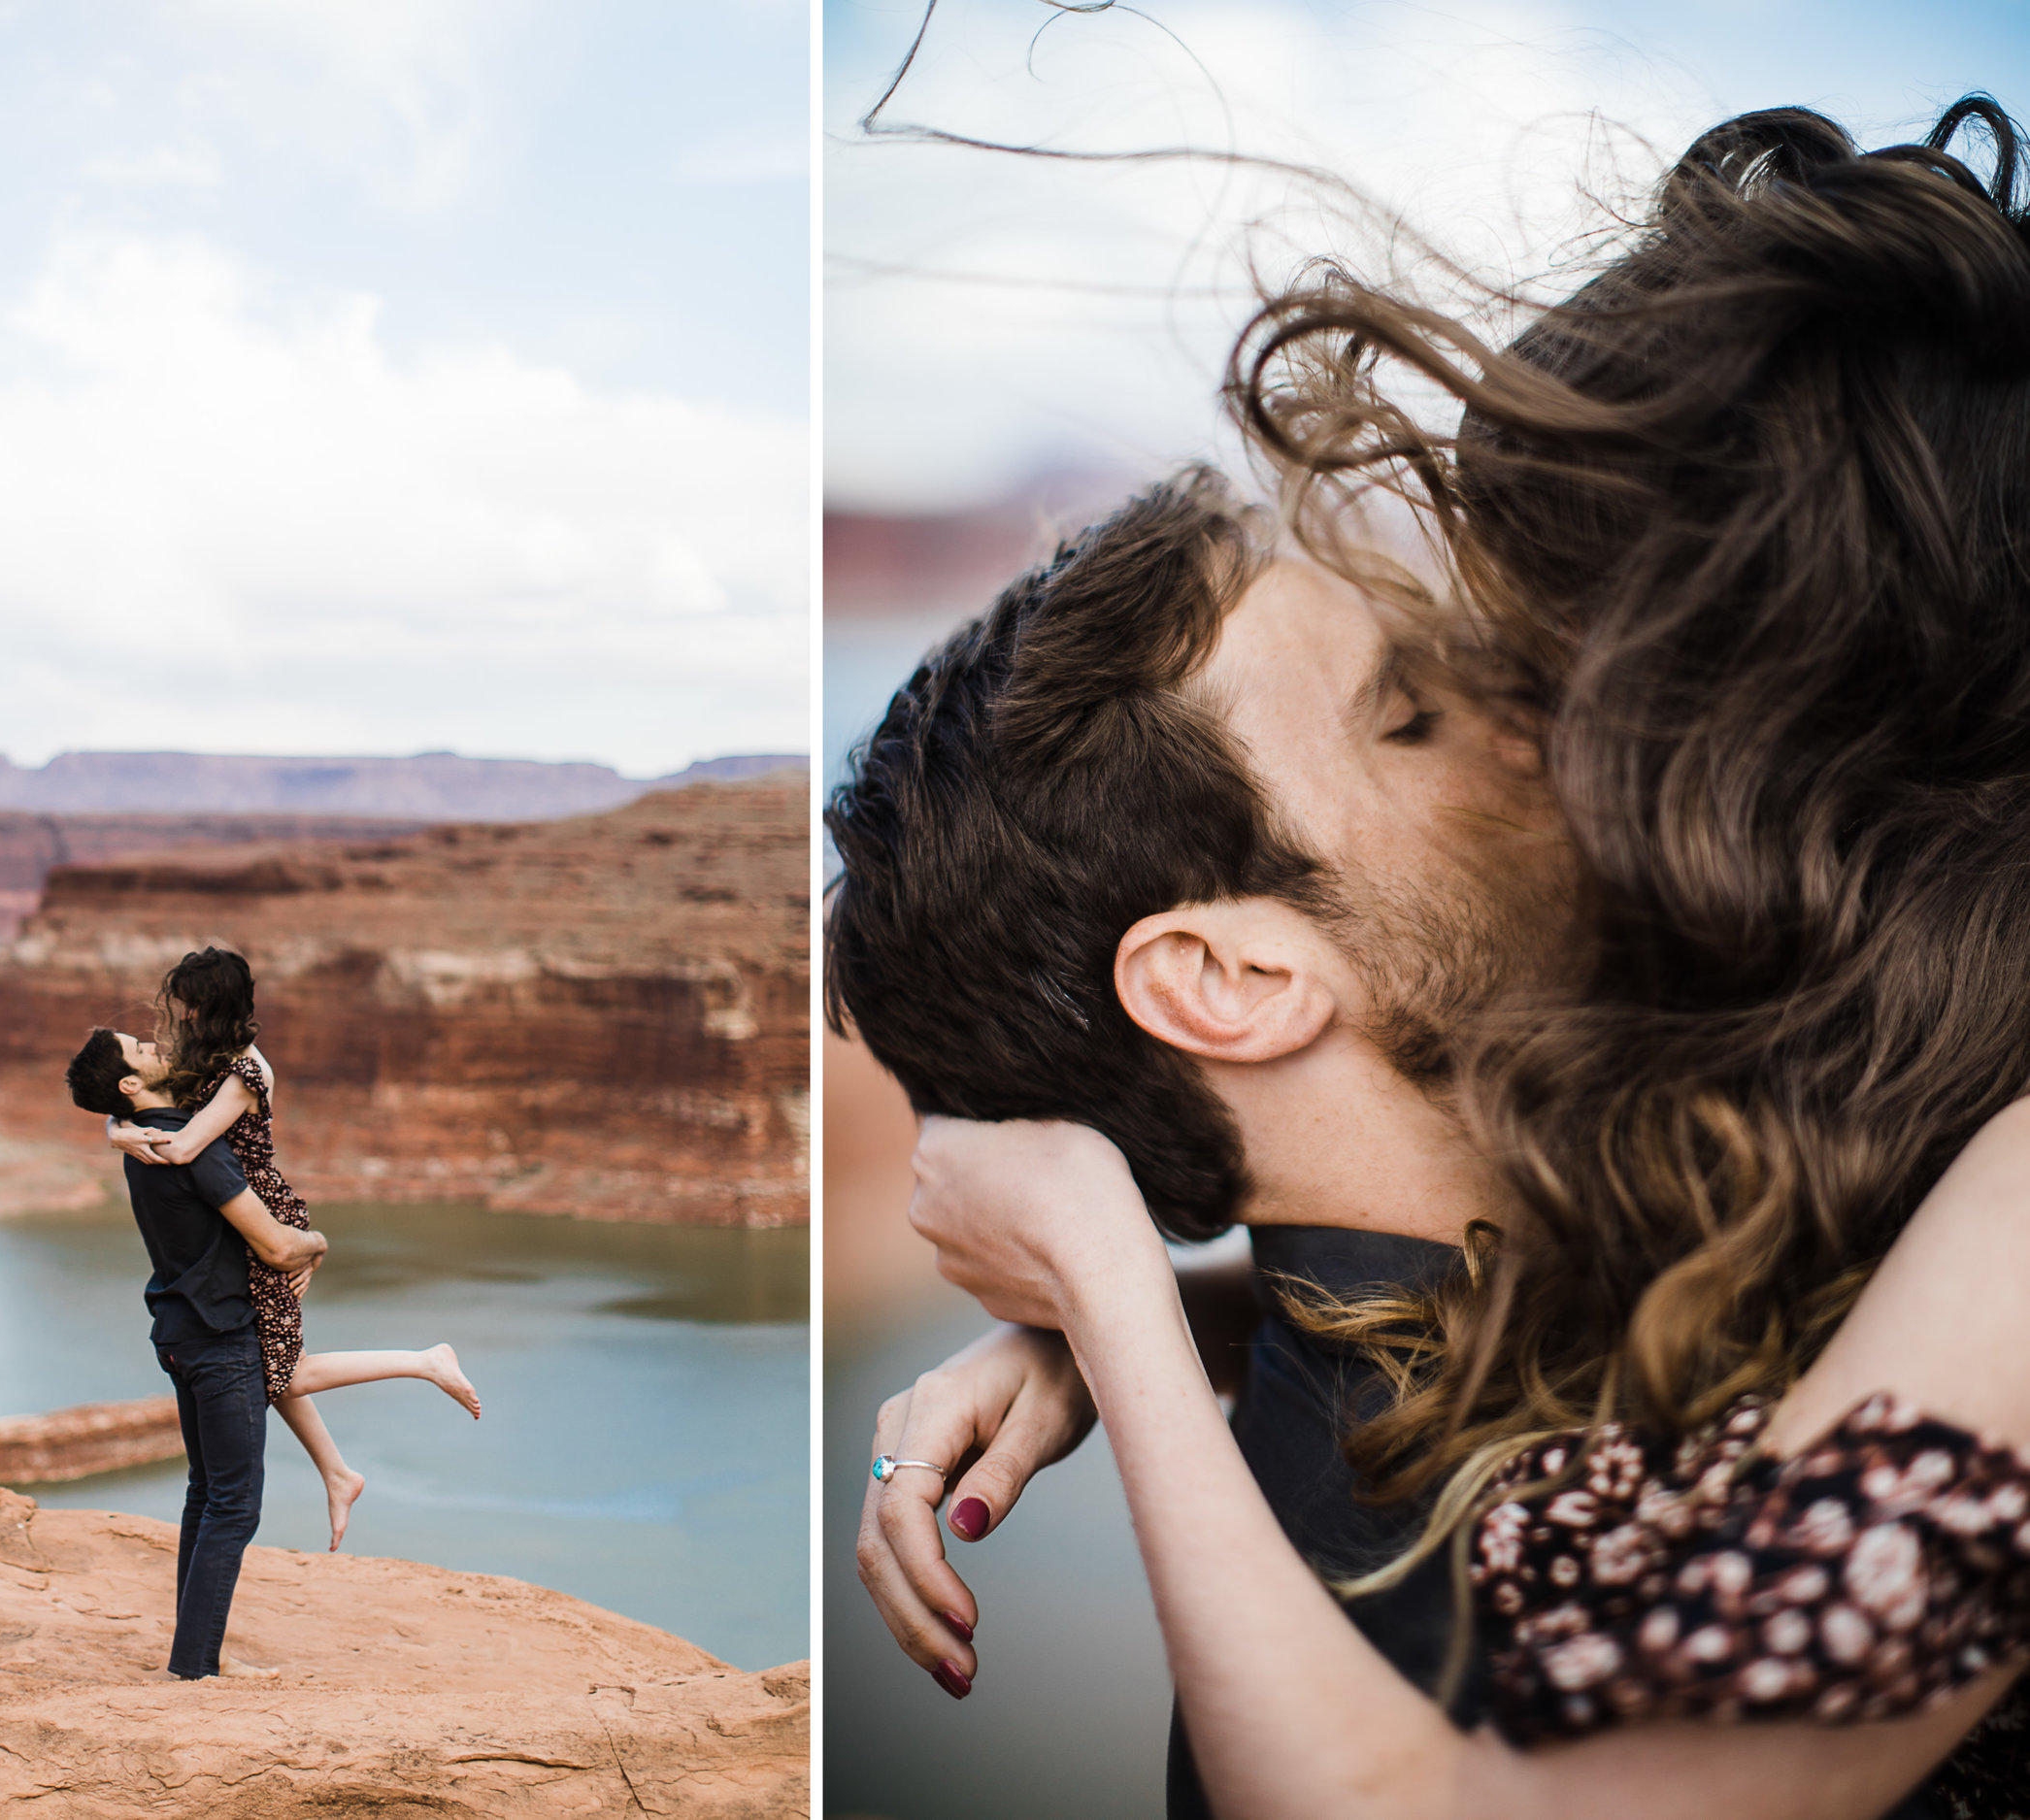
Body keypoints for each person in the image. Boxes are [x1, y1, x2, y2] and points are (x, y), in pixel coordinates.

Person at [834, 98, 2030, 1819]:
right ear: (1232, 980)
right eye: (1415, 712)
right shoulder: (1727, 1160)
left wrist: (1121, 1296)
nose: (1551, 721)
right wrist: (1157, 1314)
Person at [107, 946, 482, 1552]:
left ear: (206, 1006)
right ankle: (338, 1473)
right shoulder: (206, 1058)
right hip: (234, 1221)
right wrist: (117, 1127)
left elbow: (182, 1147)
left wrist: (127, 1136)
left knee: (283, 1371)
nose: (178, 1017)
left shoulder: (242, 1073)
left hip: (264, 1225)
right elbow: (140, 1100)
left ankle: (426, 1362)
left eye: (186, 1005)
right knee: (266, 1367)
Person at [64, 1026, 327, 1679]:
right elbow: (273, 1246)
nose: (156, 1045)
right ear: (130, 1084)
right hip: (220, 1338)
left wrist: (115, 1126)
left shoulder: (146, 1142)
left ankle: (197, 1651)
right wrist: (316, 1240)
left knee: (206, 1493)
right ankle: (194, 1667)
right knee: (235, 1503)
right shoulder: (191, 1149)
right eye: (142, 1050)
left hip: (181, 1333)